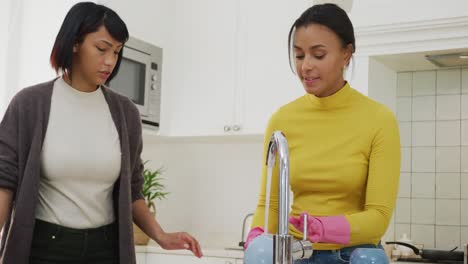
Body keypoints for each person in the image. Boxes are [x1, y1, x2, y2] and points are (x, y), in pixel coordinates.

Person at [0, 2, 202, 263]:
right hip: (45, 249)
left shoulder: (124, 113)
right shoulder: (30, 104)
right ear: (74, 43)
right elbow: (4, 182)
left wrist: (161, 235)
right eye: (101, 49)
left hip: (105, 250)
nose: (110, 61)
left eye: (117, 52)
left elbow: (133, 191)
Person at [245, 3, 400, 264]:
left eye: (318, 55)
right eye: (299, 55)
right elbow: (270, 205)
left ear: (346, 54)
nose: (305, 66)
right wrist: (255, 240)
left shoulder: (379, 120)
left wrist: (324, 228)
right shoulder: (282, 120)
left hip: (353, 256)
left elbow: (378, 217)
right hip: (295, 253)